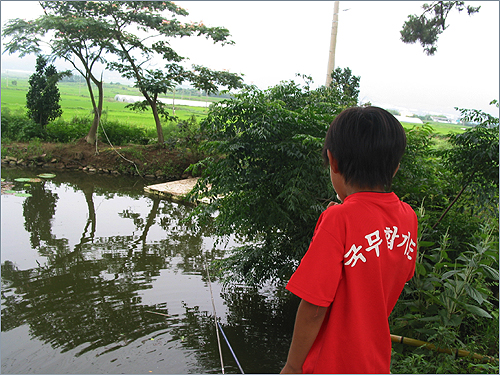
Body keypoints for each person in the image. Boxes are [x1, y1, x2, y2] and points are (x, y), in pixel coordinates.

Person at [280, 106, 418, 374]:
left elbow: (314, 308)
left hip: (329, 366)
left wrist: (293, 366)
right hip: (375, 365)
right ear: (396, 167)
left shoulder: (338, 220)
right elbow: (393, 276)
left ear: (333, 161)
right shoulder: (408, 218)